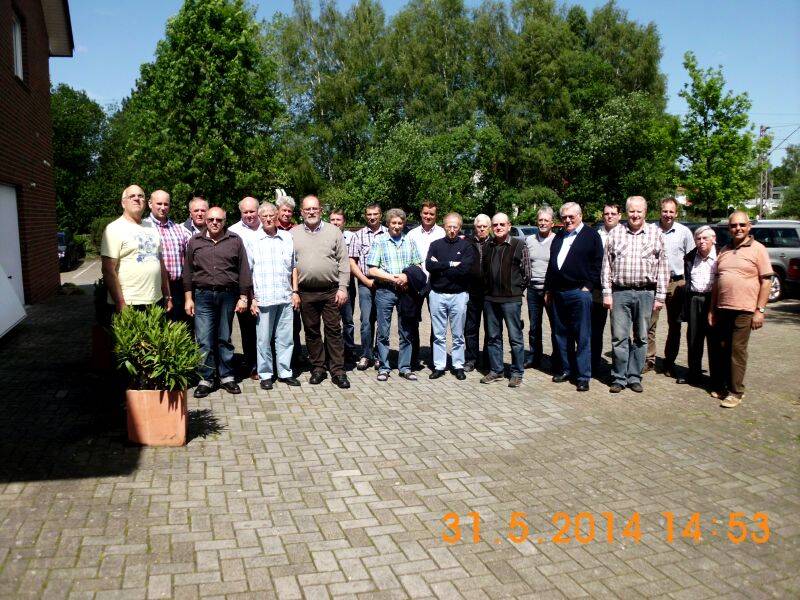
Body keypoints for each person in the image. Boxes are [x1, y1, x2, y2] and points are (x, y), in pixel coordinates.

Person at [601, 196, 669, 393]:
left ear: (645, 212)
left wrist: (660, 297)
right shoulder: (615, 233)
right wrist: (607, 293)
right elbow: (606, 266)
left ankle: (634, 376)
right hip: (620, 293)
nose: (635, 215)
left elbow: (663, 268)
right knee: (619, 338)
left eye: (639, 211)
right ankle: (619, 377)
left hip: (646, 293)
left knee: (641, 337)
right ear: (626, 212)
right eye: (632, 211)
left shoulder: (656, 234)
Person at [184, 207, 252, 398]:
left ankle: (226, 376)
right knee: (204, 339)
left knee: (224, 338)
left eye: (219, 220)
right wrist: (188, 298)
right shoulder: (195, 241)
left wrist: (243, 297)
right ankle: (205, 379)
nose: (215, 223)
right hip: (203, 296)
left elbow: (244, 270)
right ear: (206, 220)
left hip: (228, 296)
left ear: (224, 221)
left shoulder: (235, 240)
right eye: (211, 219)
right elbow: (188, 272)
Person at [708, 212, 773, 408]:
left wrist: (760, 310)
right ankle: (724, 386)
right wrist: (712, 309)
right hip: (723, 308)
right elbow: (717, 282)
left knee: (737, 350)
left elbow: (766, 282)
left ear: (749, 226)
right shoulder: (724, 250)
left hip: (745, 310)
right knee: (723, 349)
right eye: (734, 225)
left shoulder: (758, 249)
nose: (738, 228)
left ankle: (736, 392)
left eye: (742, 225)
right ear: (729, 228)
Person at [292, 195, 351, 389]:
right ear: (302, 212)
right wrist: (294, 291)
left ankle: (338, 371)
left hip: (330, 291)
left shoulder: (334, 231)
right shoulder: (293, 233)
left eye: (314, 208)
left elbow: (343, 261)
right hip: (305, 292)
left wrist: (343, 288)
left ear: (321, 210)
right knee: (311, 332)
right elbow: (290, 265)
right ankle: (318, 368)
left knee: (334, 331)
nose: (311, 212)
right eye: (307, 209)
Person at [544, 202, 603, 392]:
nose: (568, 220)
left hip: (579, 293)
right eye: (564, 217)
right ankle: (566, 369)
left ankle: (583, 375)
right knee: (561, 334)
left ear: (580, 216)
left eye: (571, 216)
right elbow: (552, 265)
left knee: (582, 335)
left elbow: (598, 263)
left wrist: (588, 286)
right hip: (558, 293)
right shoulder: (559, 235)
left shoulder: (591, 235)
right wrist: (548, 289)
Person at [246, 202, 301, 390]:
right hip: (264, 298)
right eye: (264, 216)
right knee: (263, 340)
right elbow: (248, 272)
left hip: (285, 297)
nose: (268, 219)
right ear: (259, 218)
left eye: (271, 215)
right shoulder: (253, 240)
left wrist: (295, 292)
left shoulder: (287, 237)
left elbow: (293, 267)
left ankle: (285, 372)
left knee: (285, 339)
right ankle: (266, 374)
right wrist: (252, 298)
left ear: (276, 216)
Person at [100, 185, 172, 321]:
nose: (136, 199)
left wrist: (167, 295)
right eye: (131, 196)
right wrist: (120, 303)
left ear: (145, 202)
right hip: (130, 303)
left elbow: (161, 264)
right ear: (123, 203)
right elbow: (108, 270)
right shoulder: (114, 229)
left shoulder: (151, 228)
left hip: (156, 300)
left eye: (140, 196)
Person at [367, 208, 422, 381]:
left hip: (405, 292)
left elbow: (418, 266)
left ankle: (405, 367)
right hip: (385, 291)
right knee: (383, 332)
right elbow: (372, 269)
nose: (397, 226)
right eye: (393, 223)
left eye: (400, 223)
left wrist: (406, 277)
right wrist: (393, 278)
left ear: (403, 224)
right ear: (388, 224)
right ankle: (384, 367)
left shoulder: (410, 241)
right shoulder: (380, 241)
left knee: (406, 331)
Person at [646, 197, 695, 376]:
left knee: (675, 325)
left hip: (676, 283)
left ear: (676, 213)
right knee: (649, 324)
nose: (668, 214)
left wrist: (688, 283)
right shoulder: (650, 230)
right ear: (660, 211)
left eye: (671, 211)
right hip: (654, 282)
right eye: (665, 211)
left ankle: (669, 362)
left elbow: (691, 259)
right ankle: (649, 359)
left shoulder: (684, 232)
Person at [480, 213, 530, 388]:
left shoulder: (519, 245)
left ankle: (516, 373)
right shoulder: (488, 246)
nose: (498, 227)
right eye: (495, 225)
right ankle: (496, 370)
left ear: (509, 226)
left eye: (502, 224)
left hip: (511, 300)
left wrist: (516, 290)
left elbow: (527, 274)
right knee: (493, 337)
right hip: (490, 299)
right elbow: (484, 271)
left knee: (515, 338)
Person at [426, 213, 476, 380]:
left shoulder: (467, 246)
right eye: (449, 226)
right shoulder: (435, 245)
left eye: (455, 227)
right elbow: (429, 265)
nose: (452, 230)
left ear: (460, 227)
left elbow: (465, 270)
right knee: (438, 335)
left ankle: (458, 365)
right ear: (444, 226)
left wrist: (441, 268)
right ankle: (439, 366)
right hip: (437, 295)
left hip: (459, 295)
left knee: (458, 335)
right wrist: (450, 264)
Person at [677, 226, 718, 387]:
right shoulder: (690, 257)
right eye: (698, 239)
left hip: (713, 300)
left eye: (705, 238)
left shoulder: (721, 255)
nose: (701, 242)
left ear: (713, 239)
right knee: (694, 339)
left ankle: (716, 379)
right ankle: (694, 374)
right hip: (694, 299)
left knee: (714, 340)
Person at [349, 204, 387, 370]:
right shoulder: (358, 235)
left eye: (375, 214)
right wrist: (365, 281)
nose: (372, 217)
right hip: (365, 283)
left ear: (381, 215)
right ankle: (366, 355)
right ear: (365, 216)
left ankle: (379, 355)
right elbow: (352, 262)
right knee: (366, 321)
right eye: (369, 214)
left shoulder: (388, 233)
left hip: (385, 283)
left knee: (382, 321)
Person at [406, 201, 445, 368]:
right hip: (416, 282)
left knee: (437, 321)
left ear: (436, 216)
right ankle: (413, 357)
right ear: (421, 214)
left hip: (436, 282)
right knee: (412, 320)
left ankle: (436, 359)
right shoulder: (412, 234)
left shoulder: (442, 232)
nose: (428, 216)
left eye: (431, 214)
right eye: (425, 213)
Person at [229, 196, 263, 380]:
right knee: (248, 329)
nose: (249, 215)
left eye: (252, 211)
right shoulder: (233, 231)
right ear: (240, 212)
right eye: (245, 212)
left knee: (265, 327)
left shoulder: (267, 227)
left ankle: (267, 363)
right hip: (244, 287)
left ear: (258, 210)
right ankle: (251, 364)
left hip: (265, 285)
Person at [524, 206, 560, 374]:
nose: (543, 223)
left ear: (552, 223)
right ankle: (534, 356)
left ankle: (557, 358)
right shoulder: (529, 240)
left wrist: (550, 289)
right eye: (540, 220)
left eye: (546, 220)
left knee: (555, 326)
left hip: (550, 290)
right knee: (534, 326)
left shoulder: (557, 240)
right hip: (532, 289)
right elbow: (525, 263)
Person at [147, 190, 191, 323]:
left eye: (166, 204)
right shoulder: (143, 228)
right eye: (159, 203)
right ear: (150, 204)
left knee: (179, 326)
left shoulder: (179, 229)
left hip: (177, 287)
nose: (163, 207)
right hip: (153, 287)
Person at [275, 190, 305, 368]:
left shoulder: (296, 229)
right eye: (284, 210)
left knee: (294, 322)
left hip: (293, 283)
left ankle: (295, 356)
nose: (286, 214)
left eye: (289, 211)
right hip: (276, 281)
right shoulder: (270, 227)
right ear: (278, 210)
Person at [591, 203, 621, 375]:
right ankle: (594, 364)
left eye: (613, 213)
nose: (609, 216)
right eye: (606, 213)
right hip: (598, 289)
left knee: (619, 331)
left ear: (619, 216)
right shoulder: (596, 235)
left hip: (619, 288)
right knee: (596, 329)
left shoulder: (625, 234)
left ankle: (619, 367)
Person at [464, 214, 491, 372]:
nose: (481, 229)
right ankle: (471, 359)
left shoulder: (494, 243)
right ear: (474, 228)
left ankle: (487, 359)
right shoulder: (467, 243)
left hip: (489, 293)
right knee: (471, 328)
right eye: (478, 226)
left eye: (484, 226)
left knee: (490, 328)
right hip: (471, 292)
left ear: (489, 228)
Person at [329, 208, 357, 366]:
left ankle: (349, 349)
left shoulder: (351, 237)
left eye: (338, 220)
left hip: (347, 283)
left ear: (344, 222)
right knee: (331, 320)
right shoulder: (325, 235)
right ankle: (333, 350)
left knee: (348, 319)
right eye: (332, 220)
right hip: (330, 283)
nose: (335, 223)